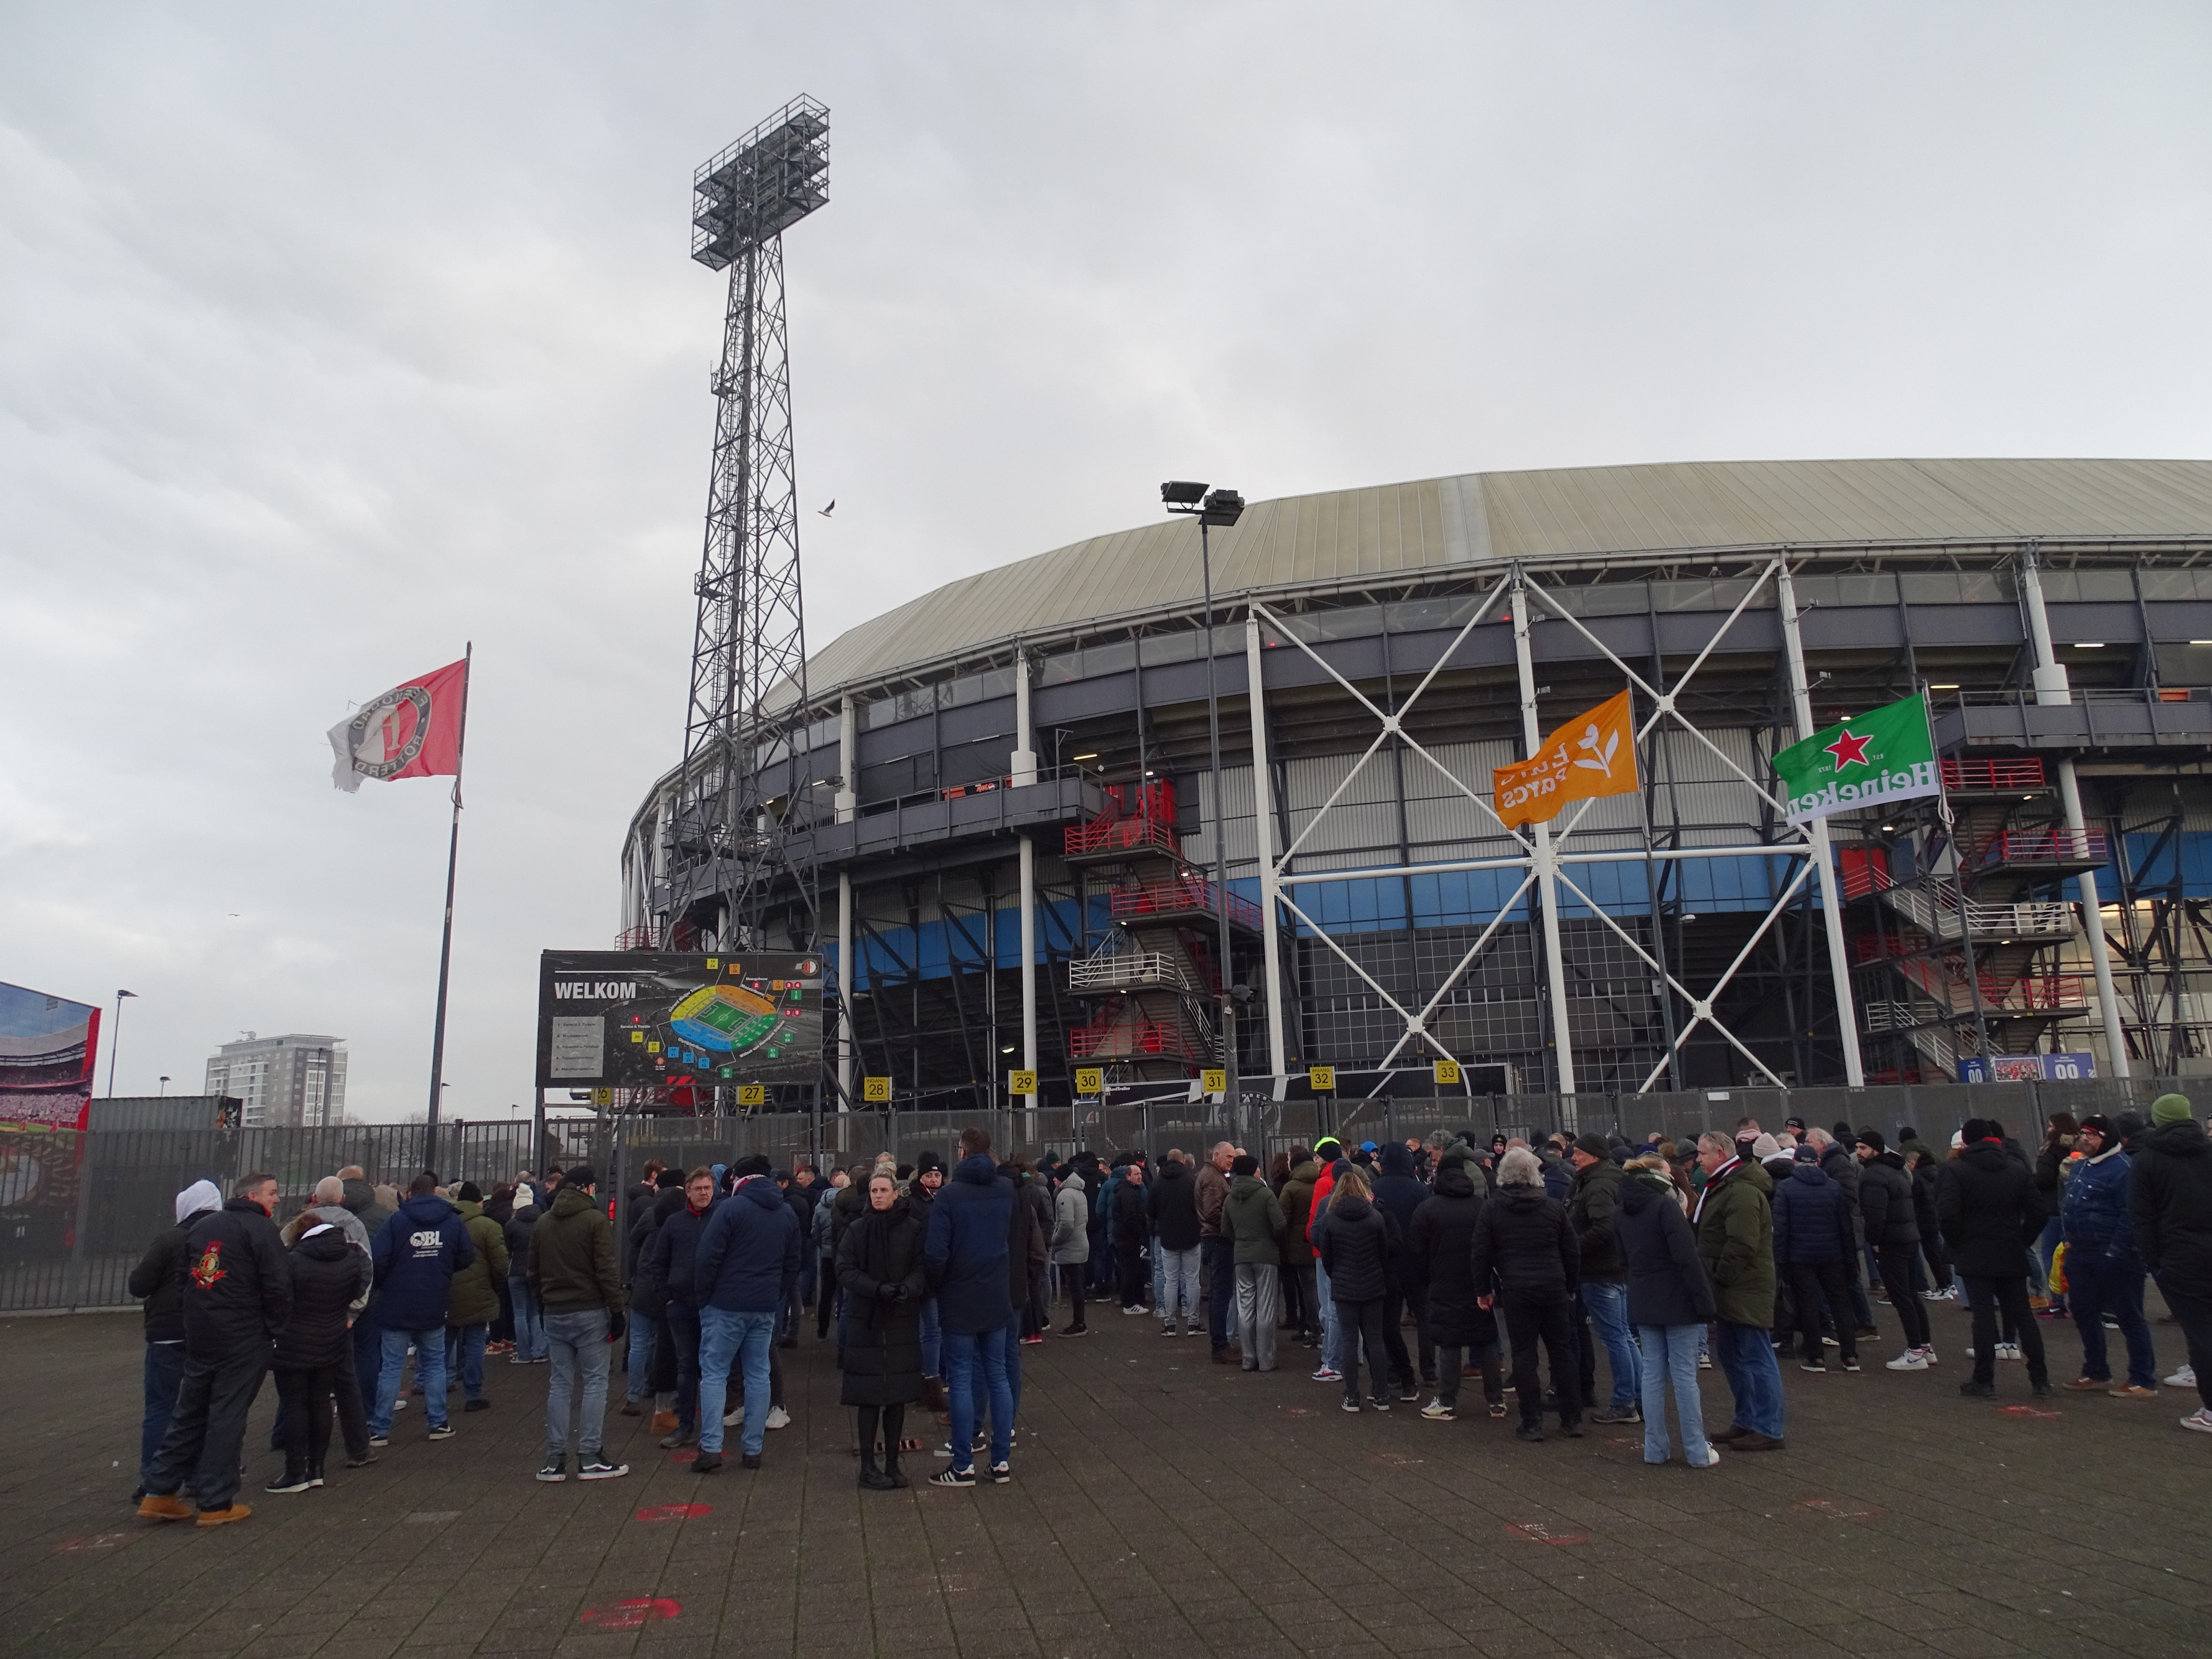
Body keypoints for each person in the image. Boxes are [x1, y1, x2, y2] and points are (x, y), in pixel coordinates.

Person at [137, 1173, 291, 1528]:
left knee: (189, 1411)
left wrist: (197, 1317)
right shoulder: (261, 1230)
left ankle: (159, 1490)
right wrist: (275, 1330)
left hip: (202, 1334)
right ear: (251, 1196)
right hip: (244, 1336)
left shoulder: (204, 1228)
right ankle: (216, 1500)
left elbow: (183, 1280)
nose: (276, 1199)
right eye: (272, 1192)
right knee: (227, 1414)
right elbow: (278, 1286)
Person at [691, 1153, 801, 1474]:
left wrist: (705, 1298)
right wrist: (775, 1294)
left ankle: (711, 1448)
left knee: (714, 1374)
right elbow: (793, 1262)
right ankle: (753, 1450)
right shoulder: (786, 1212)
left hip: (725, 1304)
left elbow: (707, 1258)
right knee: (759, 1374)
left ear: (740, 1177)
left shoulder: (730, 1209)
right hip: (764, 1306)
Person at [925, 1126, 1018, 1487]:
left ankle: (962, 1464)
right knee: (998, 1374)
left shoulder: (949, 1196)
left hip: (960, 1296)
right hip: (996, 1293)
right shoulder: (1005, 1189)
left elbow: (936, 1253)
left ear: (961, 1152)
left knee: (961, 1377)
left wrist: (938, 1285)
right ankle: (1001, 1463)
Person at [1471, 1147, 1580, 1442]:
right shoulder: (1553, 1207)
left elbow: (1481, 1252)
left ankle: (1532, 1422)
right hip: (1554, 1285)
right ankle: (1572, 1419)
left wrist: (1483, 1290)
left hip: (1517, 1288)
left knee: (1523, 1355)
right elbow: (1571, 1251)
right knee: (1562, 1352)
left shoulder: (1493, 1208)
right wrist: (1571, 1286)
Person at [1937, 1119, 2052, 1400]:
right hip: (2010, 1249)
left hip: (1975, 1252)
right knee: (2023, 1316)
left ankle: (1984, 1379)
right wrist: (2021, 1238)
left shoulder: (1956, 1170)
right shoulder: (2015, 1168)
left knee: (1983, 1316)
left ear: (1965, 1141)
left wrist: (1958, 1244)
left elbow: (1948, 1214)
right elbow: (2039, 1212)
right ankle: (2040, 1380)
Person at [1617, 1155, 1720, 1467]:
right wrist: (1705, 1303)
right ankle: (1697, 1450)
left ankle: (1655, 1448)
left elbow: (1622, 1259)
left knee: (1652, 1374)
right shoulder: (1666, 1207)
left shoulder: (1620, 1211)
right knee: (1685, 1376)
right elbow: (1687, 1258)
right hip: (1677, 1300)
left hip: (1644, 1298)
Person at [529, 1164, 629, 1481]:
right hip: (590, 1311)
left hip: (555, 1313)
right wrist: (617, 1311)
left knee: (560, 1384)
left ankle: (555, 1459)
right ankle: (590, 1455)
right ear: (588, 1188)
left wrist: (544, 1304)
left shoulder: (543, 1222)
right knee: (596, 1382)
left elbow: (532, 1272)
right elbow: (606, 1271)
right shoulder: (596, 1221)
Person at [127, 1180, 223, 1499]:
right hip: (209, 1331)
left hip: (168, 1333)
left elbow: (140, 1284)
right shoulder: (223, 1238)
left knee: (161, 1406)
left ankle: (154, 1481)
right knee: (203, 1406)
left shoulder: (171, 1239)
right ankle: (199, 1476)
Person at [264, 1219, 373, 1494]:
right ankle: (317, 1469)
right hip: (333, 1340)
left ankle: (295, 1472)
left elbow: (277, 1298)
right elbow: (358, 1290)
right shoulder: (350, 1260)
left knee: (295, 1405)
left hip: (293, 1344)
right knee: (321, 1402)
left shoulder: (293, 1262)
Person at [1694, 1131, 1785, 1450]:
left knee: (1756, 1357)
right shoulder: (1725, 1186)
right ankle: (1746, 1421)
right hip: (1731, 1288)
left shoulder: (1741, 1190)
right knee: (1733, 1357)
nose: (1698, 1160)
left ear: (1720, 1153)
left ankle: (1769, 1427)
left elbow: (1743, 1244)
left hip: (1742, 1288)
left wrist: (1719, 1276)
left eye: (1702, 1155)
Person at [367, 1172, 473, 1448]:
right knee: (435, 1363)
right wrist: (442, 1271)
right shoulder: (452, 1221)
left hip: (396, 1302)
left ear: (410, 1195)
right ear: (436, 1193)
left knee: (391, 1366)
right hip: (434, 1300)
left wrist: (387, 1283)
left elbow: (378, 1260)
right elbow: (466, 1256)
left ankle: (380, 1429)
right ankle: (438, 1422)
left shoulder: (396, 1221)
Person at [837, 1171, 928, 1489]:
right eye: (874, 1190)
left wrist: (909, 1288)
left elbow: (922, 1267)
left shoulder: (913, 1229)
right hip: (867, 1320)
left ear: (895, 1194)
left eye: (883, 1190)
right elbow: (845, 1269)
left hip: (901, 1319)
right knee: (868, 1398)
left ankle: (892, 1463)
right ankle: (867, 1466)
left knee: (897, 1398)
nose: (877, 1195)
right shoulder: (857, 1230)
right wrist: (876, 1289)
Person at [2061, 1114, 2159, 1397]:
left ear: (2108, 1138)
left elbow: (2130, 1215)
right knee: (2082, 1310)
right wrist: (2068, 1240)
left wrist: (2115, 1250)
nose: (2086, 1139)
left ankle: (2143, 1378)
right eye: (2083, 1134)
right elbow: (2069, 1203)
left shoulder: (2124, 1169)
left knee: (2129, 1315)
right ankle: (2095, 1370)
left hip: (2116, 1255)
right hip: (2081, 1253)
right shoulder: (2081, 1166)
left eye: (2093, 1135)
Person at [2130, 1093, 2212, 1431]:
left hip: (2179, 1256)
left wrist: (2154, 1263)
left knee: (2201, 1332)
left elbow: (2142, 1218)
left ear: (2157, 1119)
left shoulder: (2147, 1160)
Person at [1410, 1150, 1501, 1420]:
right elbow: (1493, 1246)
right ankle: (1496, 1401)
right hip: (1478, 1283)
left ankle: (1447, 1400)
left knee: (1449, 1344)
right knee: (1486, 1340)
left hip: (1442, 1283)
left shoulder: (1427, 1209)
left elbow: (1416, 1250)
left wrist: (1429, 1277)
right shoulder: (1482, 1207)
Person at [1565, 1133, 1637, 1422]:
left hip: (1599, 1271)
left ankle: (1624, 1402)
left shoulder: (1596, 1186)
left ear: (1593, 1156)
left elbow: (1605, 1227)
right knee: (1624, 1336)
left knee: (1616, 1338)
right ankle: (1638, 1397)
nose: (1573, 1157)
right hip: (1612, 1269)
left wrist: (1572, 1248)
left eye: (1579, 1153)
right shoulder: (1607, 1179)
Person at [644, 1166, 717, 1449]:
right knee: (686, 1365)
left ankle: (711, 1429)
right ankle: (685, 1425)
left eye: (708, 1188)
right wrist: (667, 1296)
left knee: (713, 1368)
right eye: (698, 1188)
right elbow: (658, 1262)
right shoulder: (674, 1223)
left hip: (714, 1306)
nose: (703, 1193)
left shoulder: (723, 1218)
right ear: (687, 1191)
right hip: (681, 1306)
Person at [1771, 1146, 1861, 1373]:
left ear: (1795, 1161)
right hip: (1833, 1255)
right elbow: (1845, 1226)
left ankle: (1816, 1358)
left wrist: (1781, 1261)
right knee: (1840, 1304)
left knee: (1808, 1305)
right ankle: (1850, 1356)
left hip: (1799, 1257)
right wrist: (1850, 1258)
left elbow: (1781, 1230)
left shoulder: (1786, 1188)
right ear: (1819, 1162)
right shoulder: (1833, 1187)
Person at [1318, 1168, 1398, 1413]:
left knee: (1349, 1340)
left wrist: (1338, 1276)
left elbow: (1327, 1257)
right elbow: (1383, 1254)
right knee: (1375, 1339)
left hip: (1344, 1286)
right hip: (1373, 1284)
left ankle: (1352, 1396)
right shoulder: (1375, 1217)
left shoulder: (1330, 1219)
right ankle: (1382, 1395)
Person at [1855, 1131, 1932, 1366]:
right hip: (1908, 1237)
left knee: (1902, 1297)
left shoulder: (1873, 1176)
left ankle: (1915, 1351)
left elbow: (1875, 1214)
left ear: (1876, 1151)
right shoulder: (1897, 1170)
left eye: (1863, 1148)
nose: (1858, 1152)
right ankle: (1925, 1347)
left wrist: (1874, 1240)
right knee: (1912, 1296)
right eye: (1858, 1147)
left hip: (1892, 1242)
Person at [444, 1181, 510, 1416]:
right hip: (479, 1293)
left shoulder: (445, 1223)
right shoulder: (488, 1226)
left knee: (442, 1346)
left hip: (446, 1294)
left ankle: (437, 1395)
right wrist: (494, 1287)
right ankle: (473, 1395)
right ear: (479, 1201)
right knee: (474, 1345)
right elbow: (501, 1264)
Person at [1369, 1143, 1429, 1396]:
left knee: (1388, 1325)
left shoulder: (1374, 1189)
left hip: (1387, 1265)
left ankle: (1392, 1369)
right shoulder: (1420, 1190)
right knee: (1425, 1318)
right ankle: (1429, 1368)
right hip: (1416, 1262)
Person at [1224, 1153, 1287, 1373]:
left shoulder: (1230, 1197)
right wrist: (1271, 1241)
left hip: (1241, 1255)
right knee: (1266, 1308)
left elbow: (1225, 1229)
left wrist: (1240, 1241)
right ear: (1253, 1171)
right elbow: (1280, 1224)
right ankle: (1266, 1359)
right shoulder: (1265, 1194)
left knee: (1245, 1307)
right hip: (1266, 1255)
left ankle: (1248, 1358)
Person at [1150, 1151, 1203, 1337]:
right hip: (1191, 1235)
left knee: (1170, 1281)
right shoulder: (1192, 1180)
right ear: (1183, 1161)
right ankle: (1193, 1322)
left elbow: (1150, 1210)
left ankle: (1170, 1324)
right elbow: (1200, 1205)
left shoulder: (1158, 1182)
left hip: (1168, 1237)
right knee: (1192, 1280)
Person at [1196, 1141, 1238, 1362]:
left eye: (1233, 1157)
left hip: (1214, 1238)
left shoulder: (1213, 1175)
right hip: (1218, 1239)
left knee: (1219, 1293)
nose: (1232, 1160)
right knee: (1221, 1294)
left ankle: (1221, 1343)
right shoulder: (1213, 1178)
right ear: (1216, 1155)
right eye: (1228, 1156)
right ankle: (1220, 1346)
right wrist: (1232, 1227)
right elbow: (1213, 1212)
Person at [1279, 1147, 1321, 1346]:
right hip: (1321, 1240)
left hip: (1299, 1243)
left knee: (1307, 1289)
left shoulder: (1291, 1187)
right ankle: (1321, 1327)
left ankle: (1313, 1328)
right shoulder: (1323, 1181)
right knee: (1322, 1288)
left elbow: (1282, 1218)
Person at [1048, 1165, 1090, 1337]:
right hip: (1080, 1242)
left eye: (1056, 1177)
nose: (1053, 1180)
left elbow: (1066, 1224)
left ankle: (1078, 1323)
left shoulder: (1064, 1195)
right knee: (1077, 1285)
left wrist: (1054, 1240)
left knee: (1074, 1287)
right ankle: (1080, 1321)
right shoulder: (1079, 1192)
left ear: (1063, 1179)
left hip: (1070, 1246)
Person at [505, 1188, 546, 1364]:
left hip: (515, 1272)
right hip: (536, 1271)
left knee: (520, 1314)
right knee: (536, 1313)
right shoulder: (542, 1221)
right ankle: (539, 1351)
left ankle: (523, 1353)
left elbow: (507, 1249)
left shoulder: (511, 1225)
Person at [1112, 1159, 1151, 1315]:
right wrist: (1138, 1235)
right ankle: (1129, 1304)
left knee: (1128, 1270)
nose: (1139, 1177)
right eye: (1135, 1174)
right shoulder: (1128, 1193)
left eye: (1140, 1174)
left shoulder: (1126, 1191)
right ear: (1127, 1177)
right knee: (1130, 1270)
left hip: (1124, 1237)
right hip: (1128, 1238)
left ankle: (1129, 1301)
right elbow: (1130, 1217)